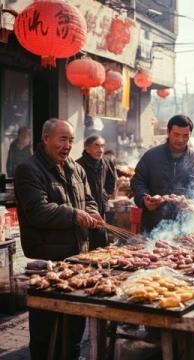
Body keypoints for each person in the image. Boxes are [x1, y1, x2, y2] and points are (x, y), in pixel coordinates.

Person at [14, 118, 103, 360]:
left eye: (71, 140)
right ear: (46, 138)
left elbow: (89, 199)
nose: (67, 145)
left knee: (75, 324)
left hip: (77, 257)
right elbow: (39, 211)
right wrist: (75, 214)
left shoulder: (76, 168)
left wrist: (92, 212)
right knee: (45, 326)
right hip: (48, 260)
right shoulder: (28, 170)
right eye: (62, 139)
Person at [131, 115, 194, 233]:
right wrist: (144, 199)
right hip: (154, 224)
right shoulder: (151, 156)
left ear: (190, 135)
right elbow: (138, 181)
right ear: (168, 132)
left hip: (186, 226)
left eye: (185, 135)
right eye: (176, 134)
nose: (181, 139)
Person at [77, 135, 117, 249]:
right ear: (87, 148)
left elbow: (112, 180)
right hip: (84, 210)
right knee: (84, 242)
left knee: (100, 243)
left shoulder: (106, 162)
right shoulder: (78, 165)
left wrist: (105, 196)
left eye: (102, 146)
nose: (100, 150)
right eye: (96, 146)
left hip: (101, 208)